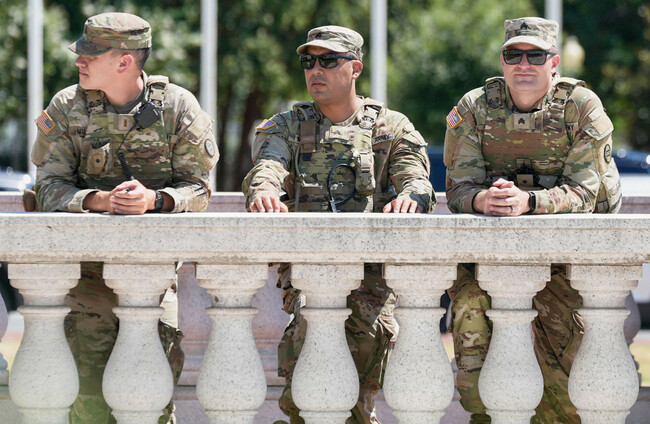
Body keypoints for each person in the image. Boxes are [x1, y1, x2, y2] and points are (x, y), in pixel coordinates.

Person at [30, 12, 218, 424]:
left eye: (90, 55)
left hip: (152, 279)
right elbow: (47, 187)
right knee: (88, 405)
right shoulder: (67, 107)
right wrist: (99, 200)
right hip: (86, 280)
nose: (79, 61)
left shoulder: (176, 108)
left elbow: (200, 189)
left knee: (153, 404)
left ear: (124, 61)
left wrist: (156, 200)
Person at [242, 25, 434, 424]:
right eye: (308, 62)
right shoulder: (288, 125)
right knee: (307, 378)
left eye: (328, 61)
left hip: (370, 278)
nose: (316, 70)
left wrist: (410, 197)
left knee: (357, 391)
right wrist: (264, 191)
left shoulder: (389, 127)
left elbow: (416, 180)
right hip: (308, 274)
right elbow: (267, 167)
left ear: (355, 68)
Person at [443, 17, 621, 424]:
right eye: (513, 55)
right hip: (491, 259)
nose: (523, 64)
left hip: (566, 259)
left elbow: (585, 194)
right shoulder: (474, 107)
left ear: (553, 62)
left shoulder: (580, 107)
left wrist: (530, 202)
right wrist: (484, 199)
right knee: (472, 320)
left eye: (535, 55)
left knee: (564, 384)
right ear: (502, 62)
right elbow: (457, 190)